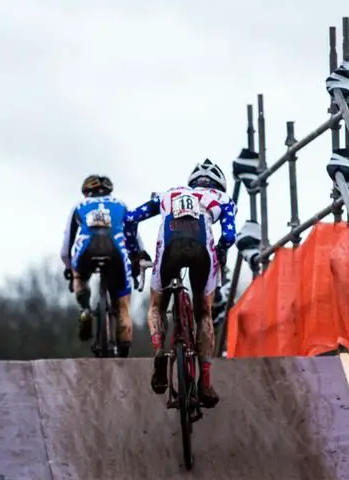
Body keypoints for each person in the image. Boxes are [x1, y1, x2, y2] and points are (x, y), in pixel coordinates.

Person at [125, 159, 237, 407]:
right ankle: (205, 383)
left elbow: (131, 219)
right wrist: (220, 250)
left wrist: (135, 252)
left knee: (156, 305)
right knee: (204, 313)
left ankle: (158, 350)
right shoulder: (223, 199)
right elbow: (229, 235)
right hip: (201, 250)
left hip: (169, 249)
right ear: (220, 184)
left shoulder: (168, 194)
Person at [60, 174, 136, 357]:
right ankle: (124, 332)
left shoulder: (79, 206)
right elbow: (135, 236)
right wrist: (137, 259)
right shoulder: (122, 205)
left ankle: (85, 309)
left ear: (86, 192)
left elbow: (66, 246)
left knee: (79, 276)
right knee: (123, 303)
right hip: (116, 252)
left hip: (86, 252)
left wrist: (70, 268)